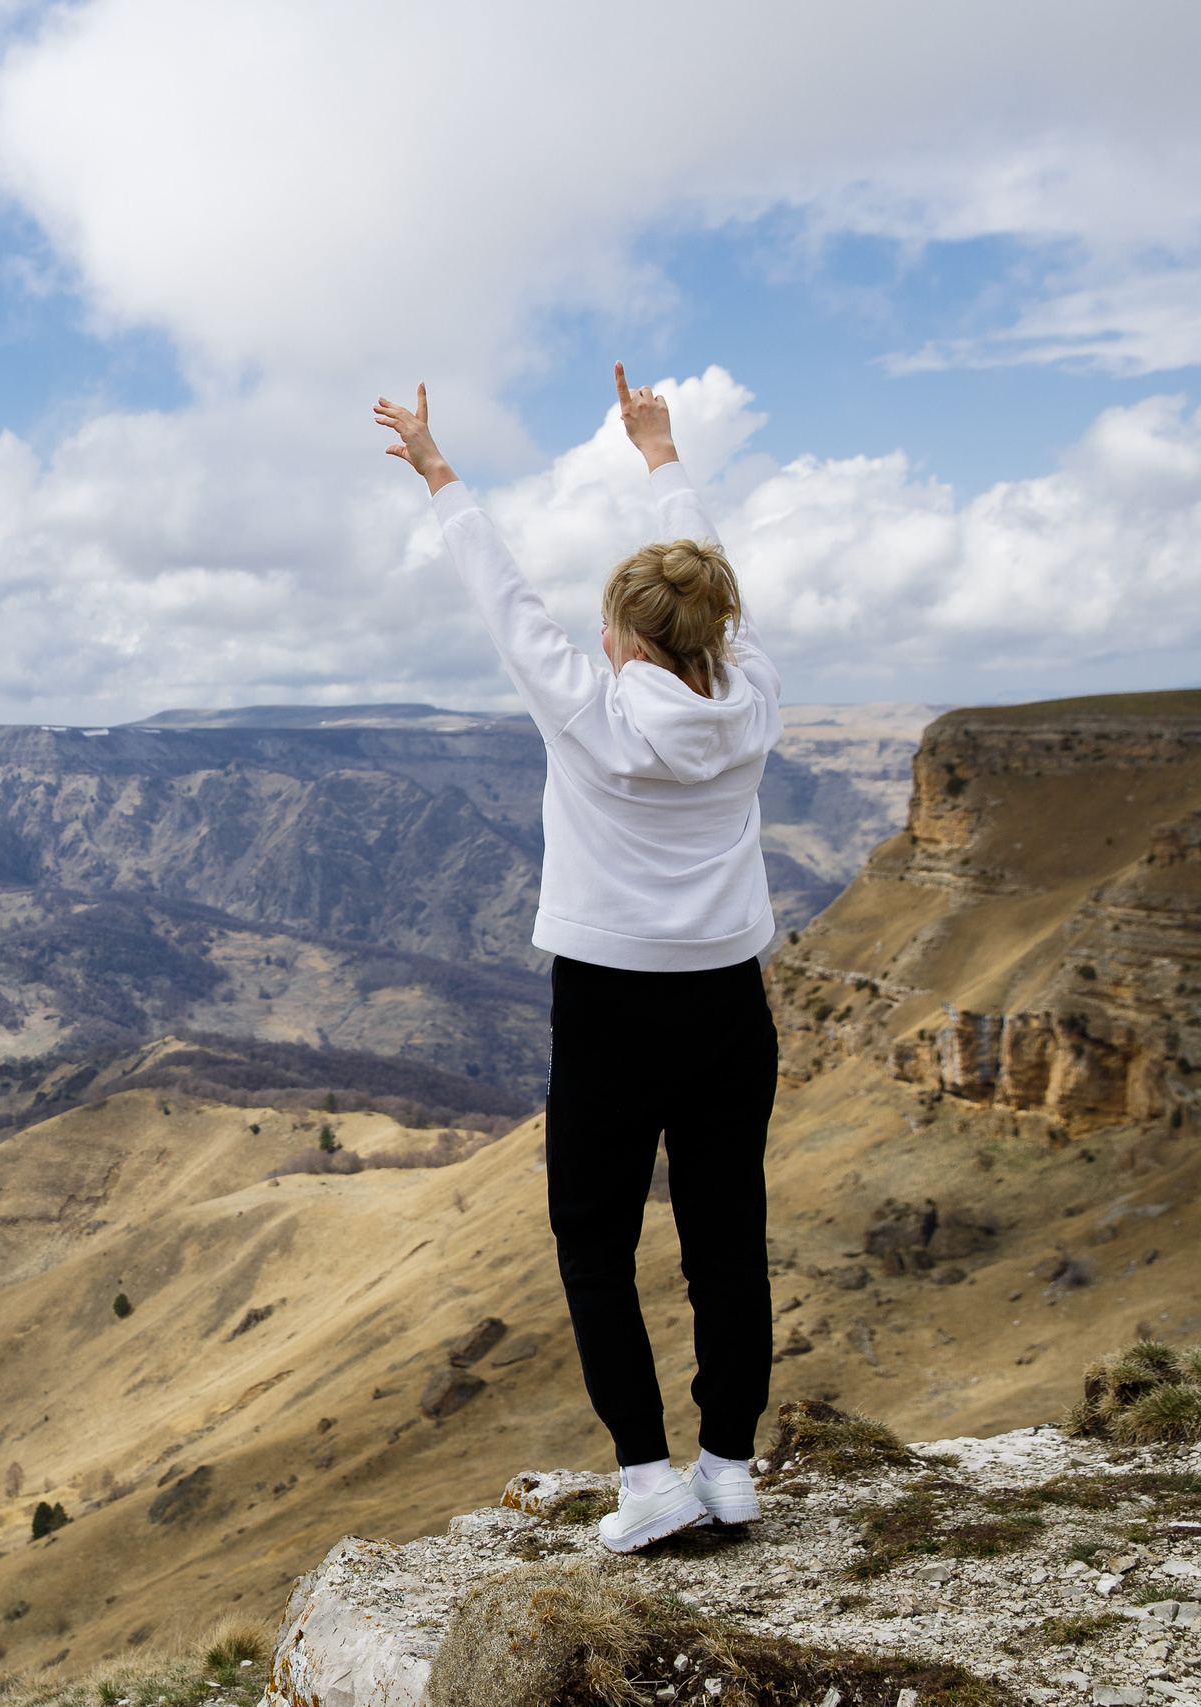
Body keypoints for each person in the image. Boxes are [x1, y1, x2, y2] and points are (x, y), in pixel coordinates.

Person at [372, 366, 780, 1554]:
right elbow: (711, 583)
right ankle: (729, 1466)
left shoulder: (592, 713)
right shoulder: (753, 697)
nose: (594, 639)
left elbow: (503, 598)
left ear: (627, 641)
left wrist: (439, 472)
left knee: (595, 1246)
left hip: (609, 1010)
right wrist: (661, 459)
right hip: (730, 1005)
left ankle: (647, 1479)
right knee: (726, 1242)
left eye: (608, 627)